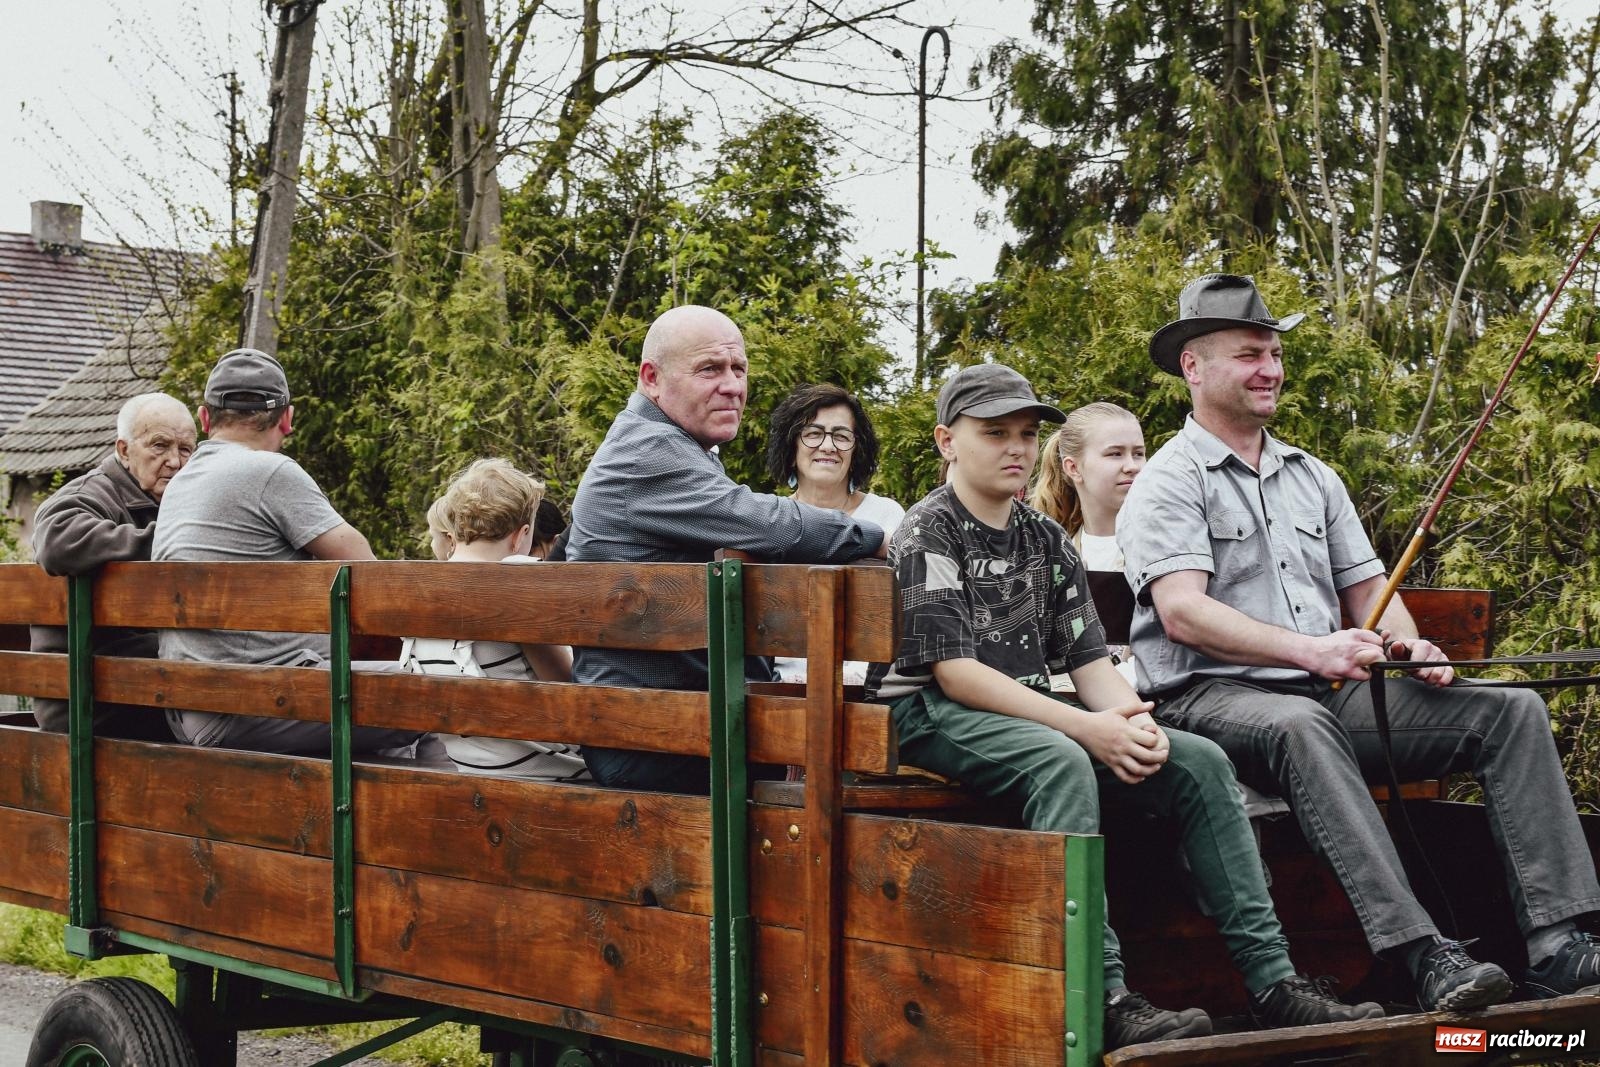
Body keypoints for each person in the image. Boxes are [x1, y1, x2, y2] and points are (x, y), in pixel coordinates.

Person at [1120, 273, 1600, 1012]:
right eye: (1250, 353)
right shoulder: (1167, 481)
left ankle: (1558, 945)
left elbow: (1372, 601)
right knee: (1303, 723)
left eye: (1275, 352)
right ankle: (1421, 954)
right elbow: (1184, 614)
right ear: (1194, 365)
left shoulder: (1314, 478)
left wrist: (1409, 649)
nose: (1271, 369)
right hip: (1210, 699)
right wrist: (1313, 651)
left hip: (1326, 696)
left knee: (1510, 712)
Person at [867, 363, 1381, 1050]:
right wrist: (1088, 728)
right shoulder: (929, 530)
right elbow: (957, 675)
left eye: (1025, 433)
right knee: (1059, 762)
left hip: (1027, 708)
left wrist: (1137, 725)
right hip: (929, 712)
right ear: (947, 441)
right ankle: (1100, 990)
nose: (1015, 447)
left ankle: (1273, 982)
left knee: (1196, 759)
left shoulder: (1045, 537)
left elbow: (1088, 662)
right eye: (994, 433)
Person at [565, 305, 887, 792]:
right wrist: (878, 536)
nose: (734, 386)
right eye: (710, 369)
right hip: (656, 736)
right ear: (652, 378)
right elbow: (765, 521)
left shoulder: (666, 444)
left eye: (739, 369)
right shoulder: (649, 450)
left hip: (666, 722)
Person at [153, 348, 428, 757]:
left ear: (205, 418)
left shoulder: (179, 483)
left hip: (195, 704)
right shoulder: (269, 470)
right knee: (437, 694)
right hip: (251, 704)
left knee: (387, 729)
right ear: (287, 418)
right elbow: (369, 571)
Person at [403, 460, 586, 779]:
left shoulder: (421, 586)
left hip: (474, 768)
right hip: (551, 771)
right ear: (522, 535)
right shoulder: (519, 579)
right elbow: (565, 684)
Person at [28, 392, 197, 739]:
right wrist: (171, 544)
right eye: (160, 446)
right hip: (88, 702)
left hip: (139, 687)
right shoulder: (94, 493)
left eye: (185, 450)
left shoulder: (171, 501)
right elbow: (55, 539)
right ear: (124, 450)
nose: (175, 462)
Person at [766, 382, 905, 685]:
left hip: (870, 687)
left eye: (841, 436)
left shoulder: (889, 517)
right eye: (814, 433)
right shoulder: (769, 520)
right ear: (792, 449)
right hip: (780, 687)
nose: (828, 446)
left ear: (856, 451)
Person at [1031, 402, 1144, 688]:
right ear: (1073, 467)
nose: (1131, 466)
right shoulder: (1054, 553)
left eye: (1139, 453)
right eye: (1115, 454)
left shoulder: (1163, 548)